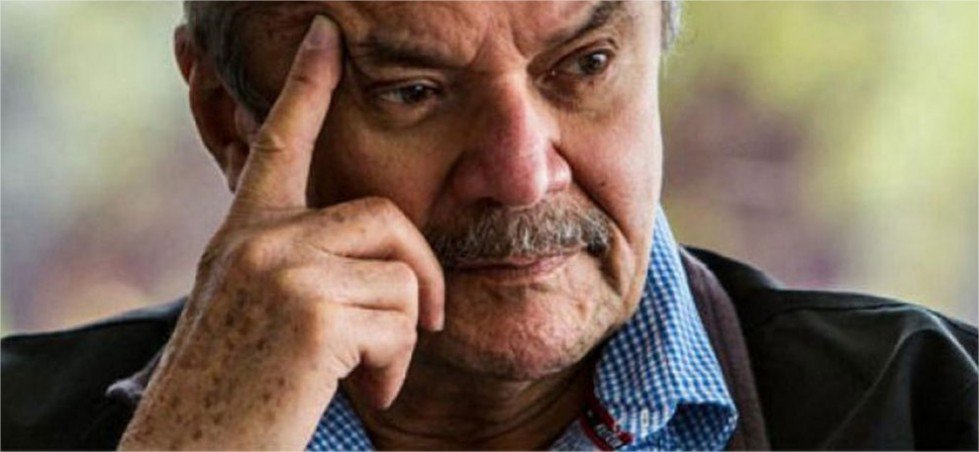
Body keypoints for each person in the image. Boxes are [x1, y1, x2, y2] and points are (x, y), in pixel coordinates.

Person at [2, 2, 976, 450]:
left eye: (585, 65)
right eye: (412, 91)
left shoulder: (939, 411)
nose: (520, 175)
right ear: (227, 116)